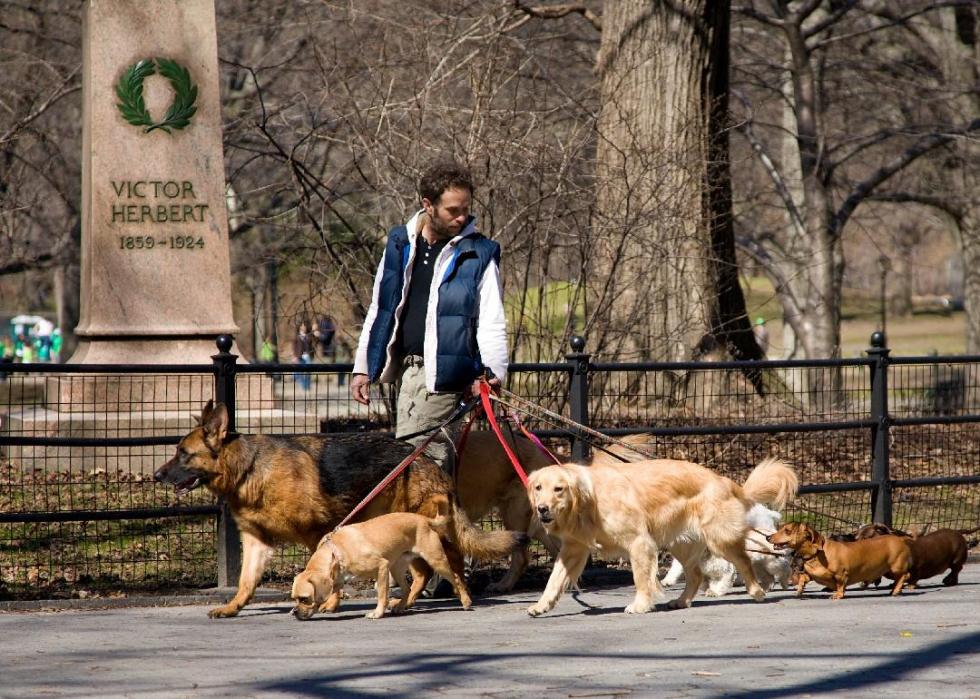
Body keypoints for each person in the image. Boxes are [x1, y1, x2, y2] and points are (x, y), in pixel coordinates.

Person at [351, 159, 508, 474]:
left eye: (465, 208)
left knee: (422, 470)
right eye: (452, 210)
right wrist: (363, 366)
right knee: (417, 469)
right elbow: (380, 309)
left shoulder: (479, 253)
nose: (461, 217)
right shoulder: (399, 243)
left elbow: (492, 322)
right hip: (406, 374)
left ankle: (430, 522)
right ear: (428, 205)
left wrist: (493, 374)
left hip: (443, 378)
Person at [293, 321, 314, 391]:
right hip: (300, 356)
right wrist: (295, 356)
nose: (303, 327)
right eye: (302, 326)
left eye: (304, 326)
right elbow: (294, 347)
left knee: (308, 372)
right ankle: (303, 386)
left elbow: (312, 346)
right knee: (301, 372)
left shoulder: (309, 336)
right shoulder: (297, 337)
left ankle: (307, 386)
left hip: (307, 355)